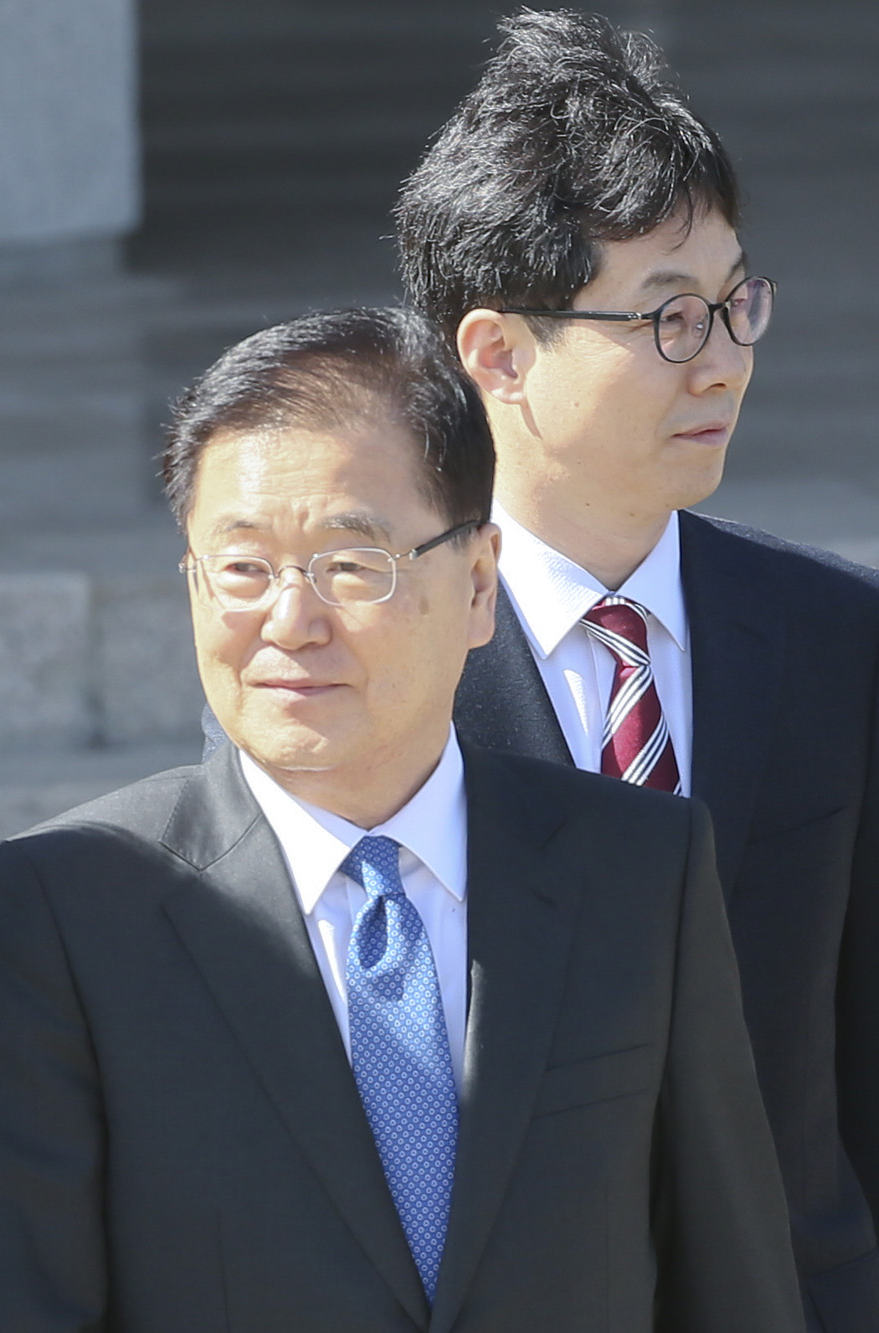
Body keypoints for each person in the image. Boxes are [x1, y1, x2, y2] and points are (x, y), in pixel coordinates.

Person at [0, 306, 800, 1331]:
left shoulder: (636, 869)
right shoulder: (71, 907)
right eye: (241, 568)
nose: (288, 621)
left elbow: (730, 1280)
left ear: (477, 581)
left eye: (350, 566)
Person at [395, 12, 879, 1325]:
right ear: (496, 353)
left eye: (734, 303)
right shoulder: (386, 670)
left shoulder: (839, 639)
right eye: (668, 318)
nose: (725, 358)